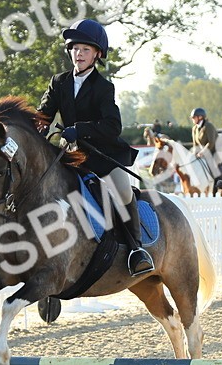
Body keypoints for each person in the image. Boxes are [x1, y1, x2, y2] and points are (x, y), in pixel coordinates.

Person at [38, 18, 153, 277]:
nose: (78, 54)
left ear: (97, 54)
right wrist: (37, 129)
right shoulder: (59, 82)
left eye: (85, 50)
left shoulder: (104, 87)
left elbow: (113, 126)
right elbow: (43, 114)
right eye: (75, 49)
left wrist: (80, 129)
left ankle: (137, 249)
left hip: (103, 156)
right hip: (71, 156)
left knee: (123, 192)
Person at [190, 107, 222, 190]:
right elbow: (195, 144)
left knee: (214, 162)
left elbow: (211, 142)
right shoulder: (194, 129)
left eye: (194, 117)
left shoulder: (208, 126)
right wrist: (194, 154)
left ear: (200, 117)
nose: (192, 119)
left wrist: (202, 152)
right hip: (205, 151)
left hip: (216, 150)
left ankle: (220, 183)